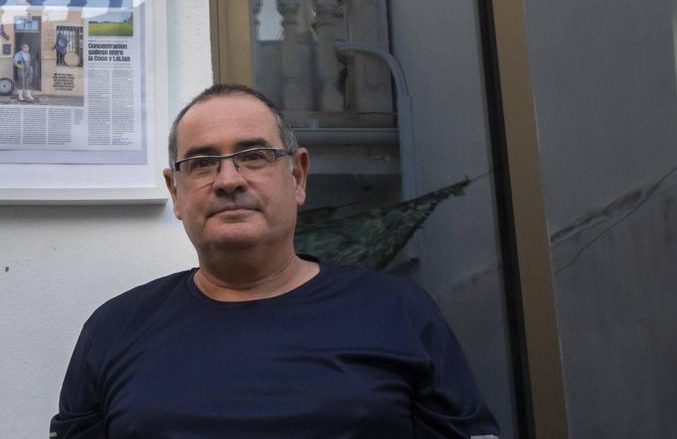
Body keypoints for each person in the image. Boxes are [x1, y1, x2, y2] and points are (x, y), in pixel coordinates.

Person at [51, 84, 499, 438]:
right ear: (176, 193)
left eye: (254, 156)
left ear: (298, 176)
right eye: (203, 163)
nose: (229, 180)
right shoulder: (113, 330)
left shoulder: (399, 313)